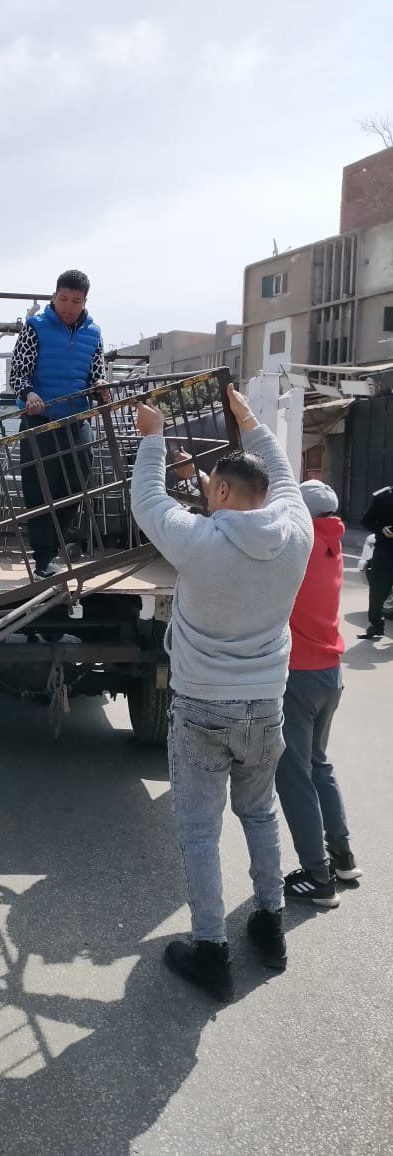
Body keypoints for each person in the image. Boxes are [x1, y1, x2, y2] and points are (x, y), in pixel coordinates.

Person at [130, 384, 312, 1001]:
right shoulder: (297, 535)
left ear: (227, 494)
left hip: (203, 709)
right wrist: (252, 422)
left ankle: (211, 951)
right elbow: (283, 478)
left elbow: (148, 500)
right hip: (266, 707)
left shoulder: (199, 544)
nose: (205, 493)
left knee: (199, 832)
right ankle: (270, 924)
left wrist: (152, 436)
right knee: (259, 814)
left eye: (211, 487)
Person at [275, 480, 362, 910]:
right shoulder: (333, 547)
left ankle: (316, 876)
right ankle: (342, 857)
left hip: (299, 677)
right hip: (330, 674)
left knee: (294, 777)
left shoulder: (296, 549)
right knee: (318, 765)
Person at [10, 269, 109, 578]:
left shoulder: (94, 334)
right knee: (40, 490)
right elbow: (18, 374)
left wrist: (102, 384)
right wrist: (29, 393)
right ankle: (42, 560)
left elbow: (95, 372)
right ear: (54, 296)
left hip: (77, 419)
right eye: (63, 299)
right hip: (41, 418)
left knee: (76, 486)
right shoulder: (35, 327)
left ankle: (57, 548)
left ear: (85, 302)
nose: (68, 306)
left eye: (75, 301)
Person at [358, 481, 393, 639]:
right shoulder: (383, 497)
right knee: (378, 590)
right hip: (385, 550)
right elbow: (366, 520)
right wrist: (382, 529)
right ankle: (376, 625)